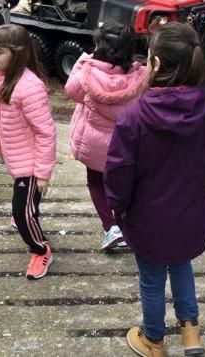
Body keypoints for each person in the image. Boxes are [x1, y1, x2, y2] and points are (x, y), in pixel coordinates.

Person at [104, 22, 205, 356]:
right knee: (182, 266)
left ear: (155, 65)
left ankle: (153, 338)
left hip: (147, 219)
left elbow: (118, 173)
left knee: (152, 279)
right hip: (191, 215)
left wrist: (117, 206)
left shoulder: (133, 118)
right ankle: (191, 334)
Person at [0, 24, 56, 279]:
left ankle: (40, 248)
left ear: (18, 54)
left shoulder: (30, 87)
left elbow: (46, 132)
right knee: (26, 207)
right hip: (16, 157)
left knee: (22, 213)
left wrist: (43, 172)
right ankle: (26, 215)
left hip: (31, 164)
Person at [64, 22, 147, 251]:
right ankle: (122, 224)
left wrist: (84, 60)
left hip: (93, 144)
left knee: (96, 182)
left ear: (99, 47)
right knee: (122, 186)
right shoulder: (139, 77)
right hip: (124, 147)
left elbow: (71, 91)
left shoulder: (88, 73)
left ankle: (110, 228)